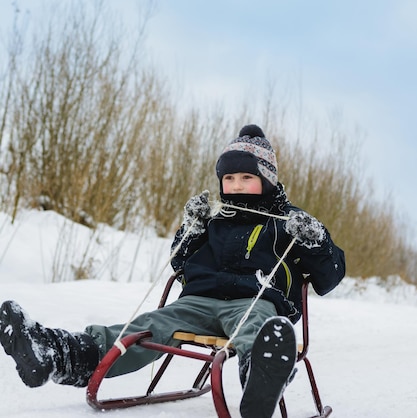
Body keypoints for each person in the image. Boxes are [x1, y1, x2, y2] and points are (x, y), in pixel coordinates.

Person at [0, 124, 345, 418]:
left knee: (257, 325)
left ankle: (261, 377)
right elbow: (181, 264)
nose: (236, 185)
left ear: (267, 180)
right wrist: (191, 229)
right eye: (229, 177)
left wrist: (317, 241)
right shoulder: (214, 220)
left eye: (247, 177)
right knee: (147, 326)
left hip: (254, 301)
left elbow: (329, 277)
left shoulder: (290, 224)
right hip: (198, 303)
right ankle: (57, 354)